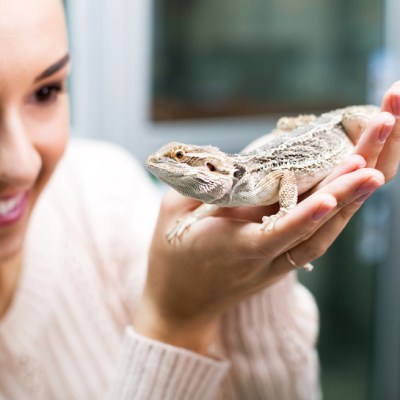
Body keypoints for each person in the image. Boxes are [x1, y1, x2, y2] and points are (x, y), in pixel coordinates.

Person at [0, 0, 399, 399]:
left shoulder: (110, 188)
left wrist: (260, 270)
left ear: (210, 167)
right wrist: (175, 318)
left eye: (47, 90)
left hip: (332, 130)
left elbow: (275, 181)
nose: (19, 166)